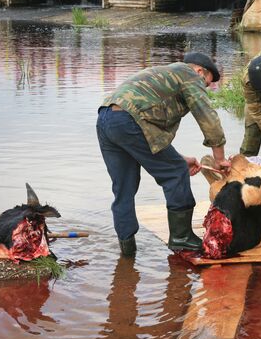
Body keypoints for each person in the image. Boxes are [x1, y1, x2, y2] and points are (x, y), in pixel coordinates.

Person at [96, 52, 231, 256]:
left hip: (107, 118)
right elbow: (207, 116)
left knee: (124, 188)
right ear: (199, 71)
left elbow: (149, 133)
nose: (203, 87)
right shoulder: (190, 74)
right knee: (176, 173)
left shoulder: (168, 75)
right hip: (129, 120)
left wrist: (180, 159)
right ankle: (181, 237)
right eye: (206, 83)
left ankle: (127, 253)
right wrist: (219, 158)